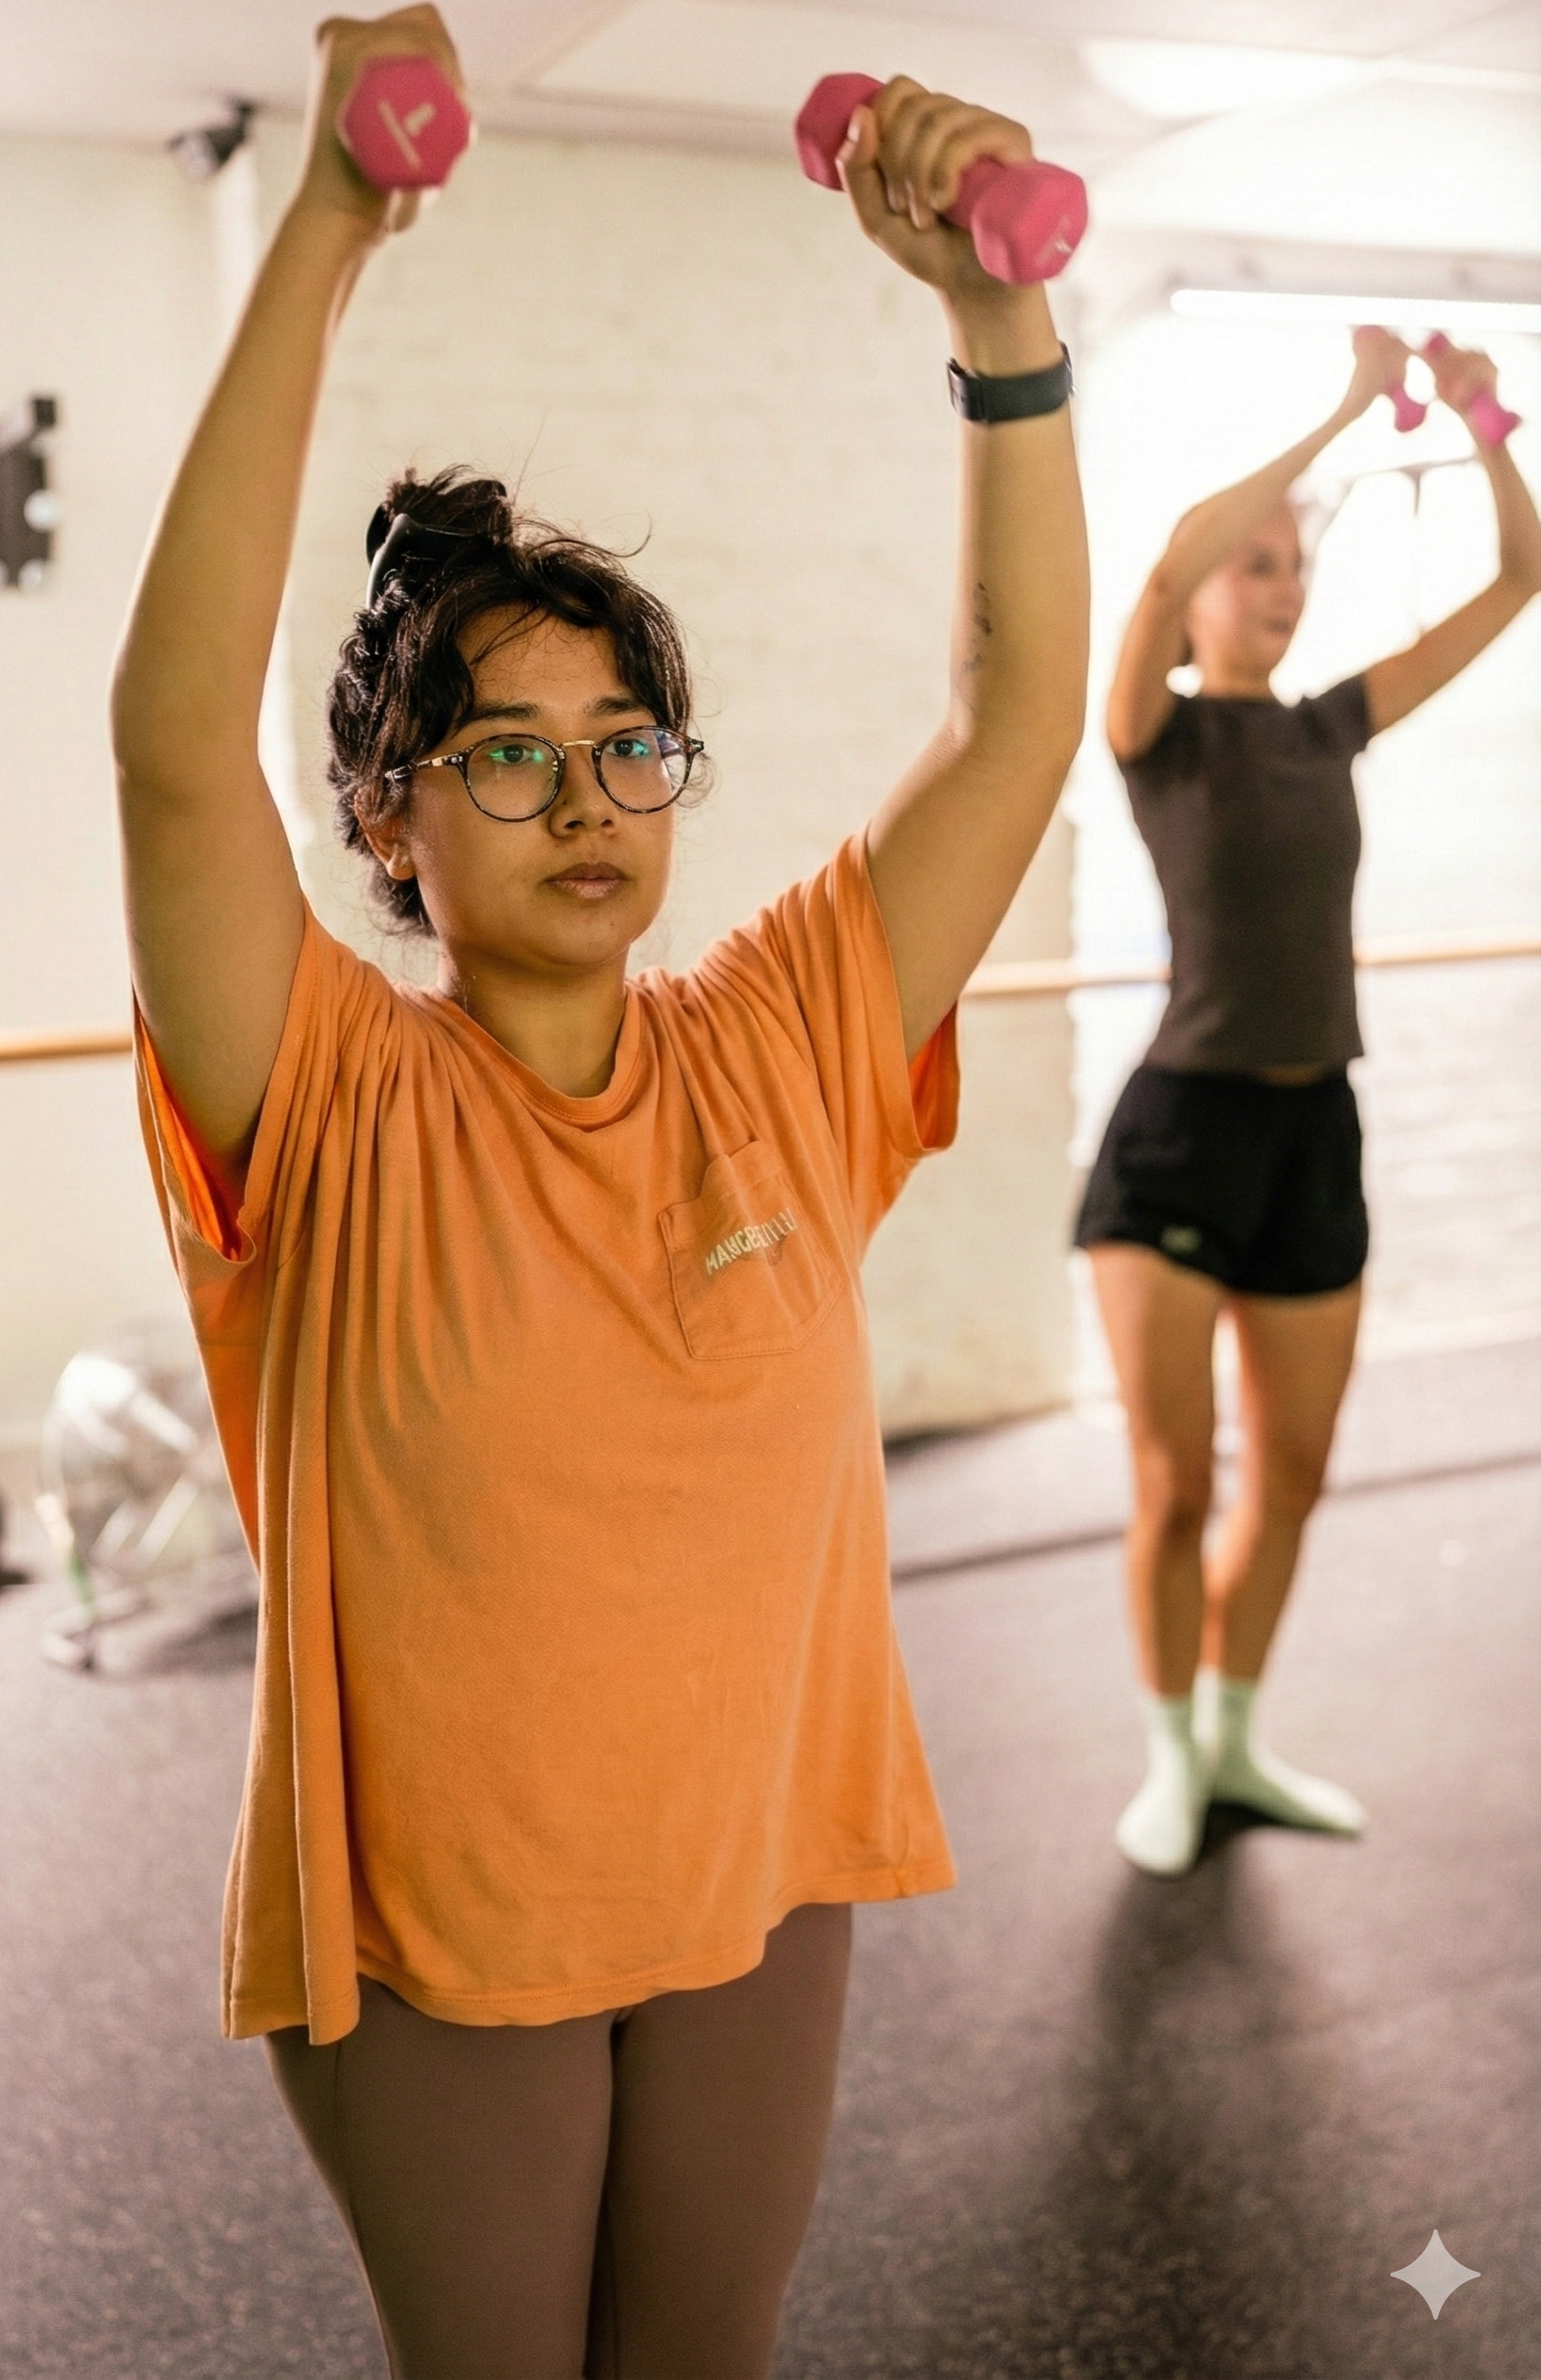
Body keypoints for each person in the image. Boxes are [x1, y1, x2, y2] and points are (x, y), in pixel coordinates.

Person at [109, 8, 1088, 2372]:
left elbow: (1015, 709)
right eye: (509, 756)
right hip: (445, 1935)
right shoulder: (324, 1100)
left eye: (627, 746)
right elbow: (164, 751)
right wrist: (330, 226)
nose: (585, 804)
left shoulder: (779, 1046)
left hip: (761, 1882)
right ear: (389, 821)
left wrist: (998, 325)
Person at [1078, 327, 1541, 1878]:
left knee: (1291, 1478)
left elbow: (1517, 580)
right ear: (1209, 589)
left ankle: (1233, 1739)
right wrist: (1343, 410)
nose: (1276, 585)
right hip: (1178, 1138)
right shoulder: (1156, 735)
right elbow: (1153, 572)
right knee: (1176, 1477)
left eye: (1293, 569)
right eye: (1254, 564)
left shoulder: (1329, 724)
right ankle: (1163, 1757)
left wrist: (1481, 423)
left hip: (1314, 1130)